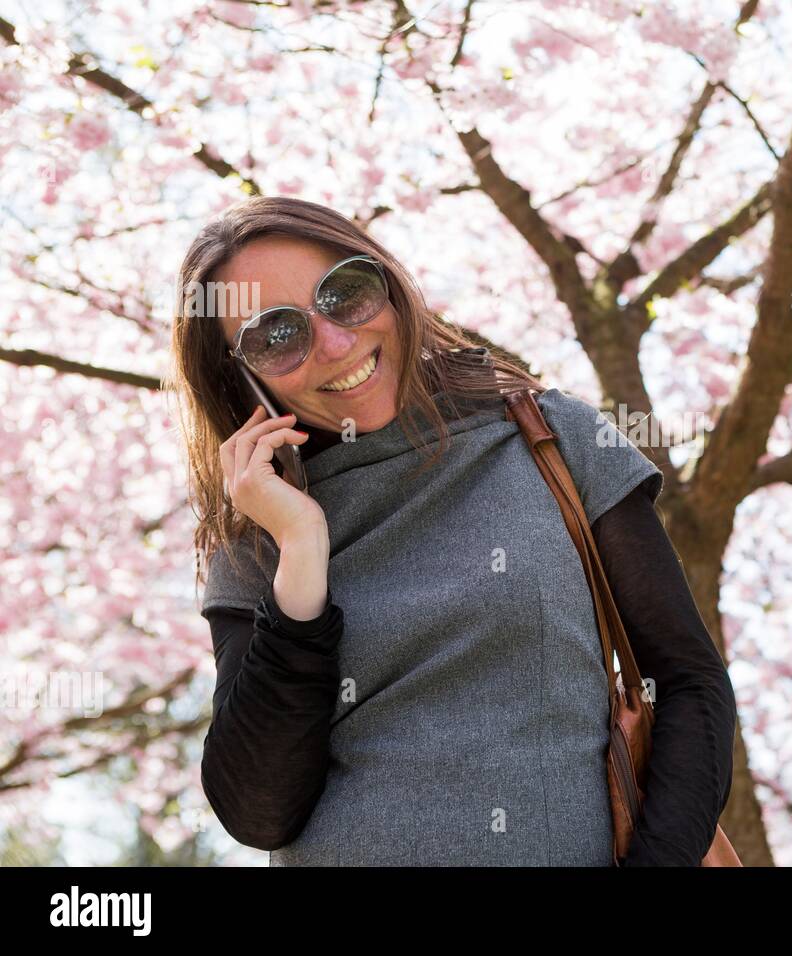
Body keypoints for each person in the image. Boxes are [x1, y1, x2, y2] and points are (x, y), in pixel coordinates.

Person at [169, 195, 737, 866]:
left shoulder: (555, 437)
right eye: (276, 336)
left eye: (344, 294)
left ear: (387, 281)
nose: (336, 344)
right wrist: (300, 549)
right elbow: (259, 809)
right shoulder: (259, 530)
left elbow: (689, 683)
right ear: (241, 375)